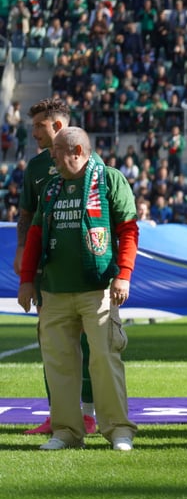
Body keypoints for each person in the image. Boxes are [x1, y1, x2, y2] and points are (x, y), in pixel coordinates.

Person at [18, 126, 139, 451]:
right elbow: (36, 233)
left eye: (57, 150)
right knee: (58, 362)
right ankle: (67, 431)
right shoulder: (52, 186)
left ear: (77, 151)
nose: (51, 156)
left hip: (96, 288)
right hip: (55, 289)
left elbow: (128, 229)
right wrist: (28, 279)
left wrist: (124, 274)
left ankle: (118, 430)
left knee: (104, 359)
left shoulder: (110, 179)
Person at [15, 99, 97, 436]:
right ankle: (58, 412)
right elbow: (26, 215)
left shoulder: (92, 164)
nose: (33, 133)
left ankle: (90, 413)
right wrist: (22, 251)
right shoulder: (35, 168)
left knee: (89, 341)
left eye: (39, 126)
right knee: (50, 340)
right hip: (47, 270)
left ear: (58, 127)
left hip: (85, 269)